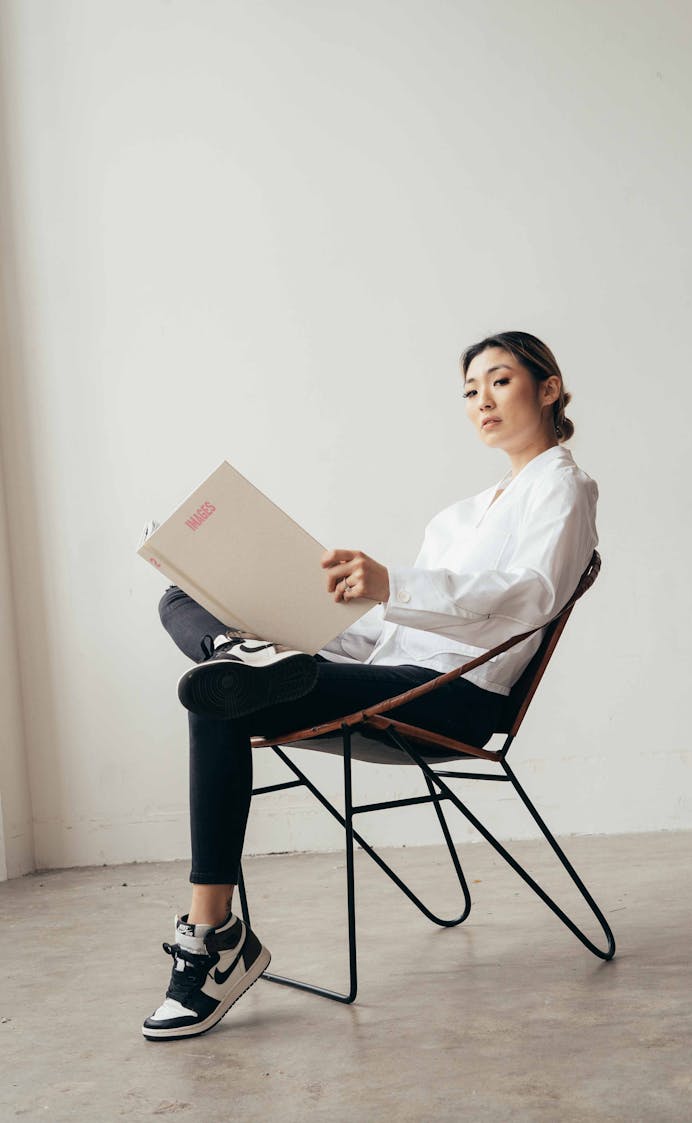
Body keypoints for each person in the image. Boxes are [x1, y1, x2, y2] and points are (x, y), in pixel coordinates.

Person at [142, 330, 598, 1041]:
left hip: (453, 695)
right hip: (392, 671)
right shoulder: (458, 515)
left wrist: (393, 582)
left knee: (216, 695)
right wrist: (302, 617)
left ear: (548, 387)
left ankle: (214, 940)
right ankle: (245, 645)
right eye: (471, 391)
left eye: (499, 381)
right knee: (182, 596)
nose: (482, 400)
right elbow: (390, 636)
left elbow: (530, 595)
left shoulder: (563, 486)